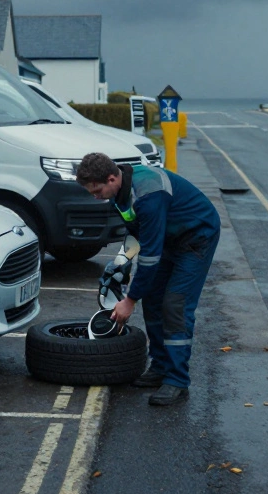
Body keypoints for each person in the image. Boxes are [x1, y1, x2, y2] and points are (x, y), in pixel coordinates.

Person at [75, 152, 220, 406]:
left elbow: (151, 256)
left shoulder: (148, 195)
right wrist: (119, 265)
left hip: (197, 237)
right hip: (169, 238)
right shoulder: (120, 192)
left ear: (110, 178)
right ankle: (160, 367)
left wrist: (129, 300)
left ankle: (177, 380)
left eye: (96, 190)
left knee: (174, 304)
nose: (94, 196)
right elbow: (136, 232)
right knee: (152, 298)